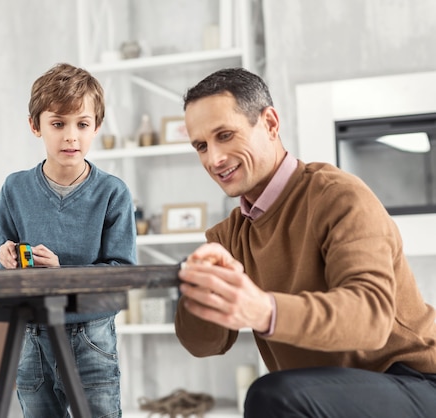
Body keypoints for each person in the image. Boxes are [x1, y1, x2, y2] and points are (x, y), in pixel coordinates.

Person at [174, 67, 436, 418]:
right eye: (201, 146)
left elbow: (370, 318)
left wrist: (264, 309)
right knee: (279, 394)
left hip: (416, 379)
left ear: (269, 123)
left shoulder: (339, 196)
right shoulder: (226, 237)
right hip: (329, 390)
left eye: (225, 135)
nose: (213, 159)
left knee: (273, 396)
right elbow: (204, 345)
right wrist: (197, 294)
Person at [0, 62, 136, 418]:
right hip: (32, 335)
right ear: (35, 126)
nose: (71, 136)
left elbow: (120, 274)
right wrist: (3, 258)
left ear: (96, 127)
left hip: (91, 335)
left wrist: (62, 272)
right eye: (58, 124)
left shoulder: (113, 193)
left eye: (82, 124)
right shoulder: (15, 188)